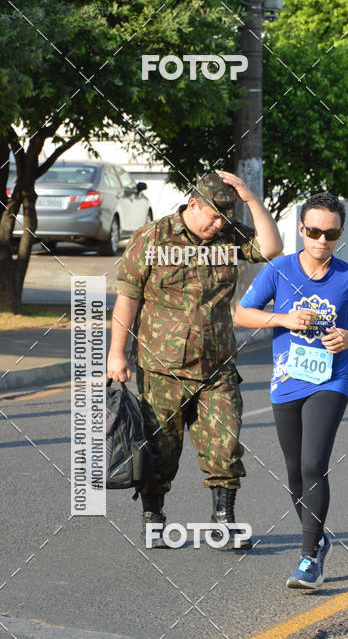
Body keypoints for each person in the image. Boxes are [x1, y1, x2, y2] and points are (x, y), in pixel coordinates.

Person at [107, 171, 283, 549]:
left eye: (224, 217)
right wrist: (116, 353)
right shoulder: (152, 238)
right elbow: (128, 298)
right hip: (162, 368)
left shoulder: (228, 237)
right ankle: (153, 519)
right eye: (213, 216)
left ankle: (224, 522)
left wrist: (250, 197)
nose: (218, 224)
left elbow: (271, 248)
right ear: (193, 204)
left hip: (217, 366)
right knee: (161, 451)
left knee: (225, 445)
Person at [234, 192, 348, 590]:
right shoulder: (278, 269)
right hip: (286, 383)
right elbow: (242, 313)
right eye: (315, 232)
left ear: (341, 233)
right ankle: (319, 541)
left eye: (332, 233)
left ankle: (308, 559)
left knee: (312, 465)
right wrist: (284, 319)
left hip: (331, 381)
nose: (323, 240)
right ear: (301, 229)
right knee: (294, 472)